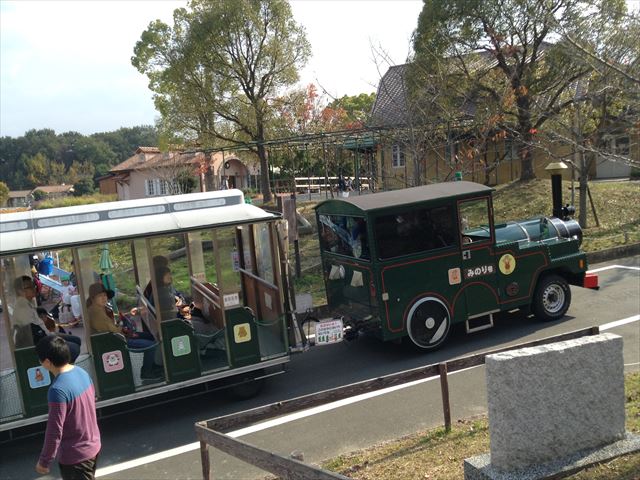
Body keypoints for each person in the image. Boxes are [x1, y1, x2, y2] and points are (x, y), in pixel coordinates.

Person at [35, 335, 101, 479]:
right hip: (93, 445)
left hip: (76, 457)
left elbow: (54, 430)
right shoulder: (81, 372)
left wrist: (44, 461)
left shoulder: (57, 390)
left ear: (47, 362)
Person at [86, 283, 161, 379]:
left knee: (149, 336)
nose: (104, 298)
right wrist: (125, 329)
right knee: (150, 345)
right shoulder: (96, 313)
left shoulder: (101, 308)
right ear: (93, 298)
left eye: (104, 295)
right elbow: (113, 330)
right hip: (114, 341)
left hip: (117, 336)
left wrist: (125, 317)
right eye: (100, 296)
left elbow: (112, 324)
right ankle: (146, 372)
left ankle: (151, 365)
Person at [12, 276, 81, 363]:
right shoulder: (22, 308)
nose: (34, 288)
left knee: (76, 340)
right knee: (74, 348)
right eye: (29, 287)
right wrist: (56, 339)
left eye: (33, 285)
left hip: (45, 336)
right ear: (20, 291)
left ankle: (63, 366)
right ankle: (59, 369)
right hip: (40, 344)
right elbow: (35, 335)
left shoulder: (28, 303)